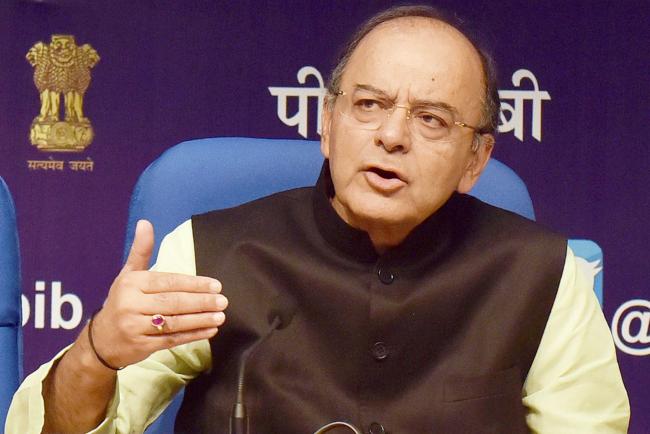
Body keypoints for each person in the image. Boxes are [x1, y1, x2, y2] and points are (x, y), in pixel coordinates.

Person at [7, 5, 629, 434]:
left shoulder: (544, 276)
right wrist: (97, 353)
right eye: (370, 104)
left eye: (431, 119)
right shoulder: (210, 254)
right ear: (327, 123)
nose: (391, 136)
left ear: (476, 159)